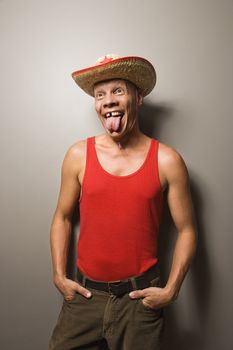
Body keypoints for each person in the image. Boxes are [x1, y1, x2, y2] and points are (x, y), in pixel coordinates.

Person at [49, 54, 197, 350]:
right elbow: (62, 217)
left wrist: (171, 290)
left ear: (138, 98)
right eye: (100, 94)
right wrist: (59, 276)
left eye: (118, 91)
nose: (109, 100)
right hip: (85, 298)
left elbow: (187, 230)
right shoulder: (78, 155)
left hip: (140, 300)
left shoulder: (167, 160)